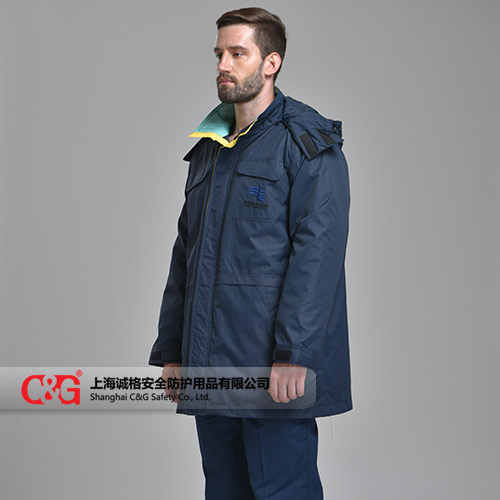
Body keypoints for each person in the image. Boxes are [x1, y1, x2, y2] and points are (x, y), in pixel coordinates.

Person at [147, 7, 353, 500]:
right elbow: (186, 253)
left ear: (271, 63)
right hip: (212, 366)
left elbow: (317, 258)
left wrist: (294, 355)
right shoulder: (210, 146)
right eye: (220, 53)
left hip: (271, 368)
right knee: (223, 490)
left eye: (238, 53)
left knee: (284, 490)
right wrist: (173, 351)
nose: (224, 64)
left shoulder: (304, 142)